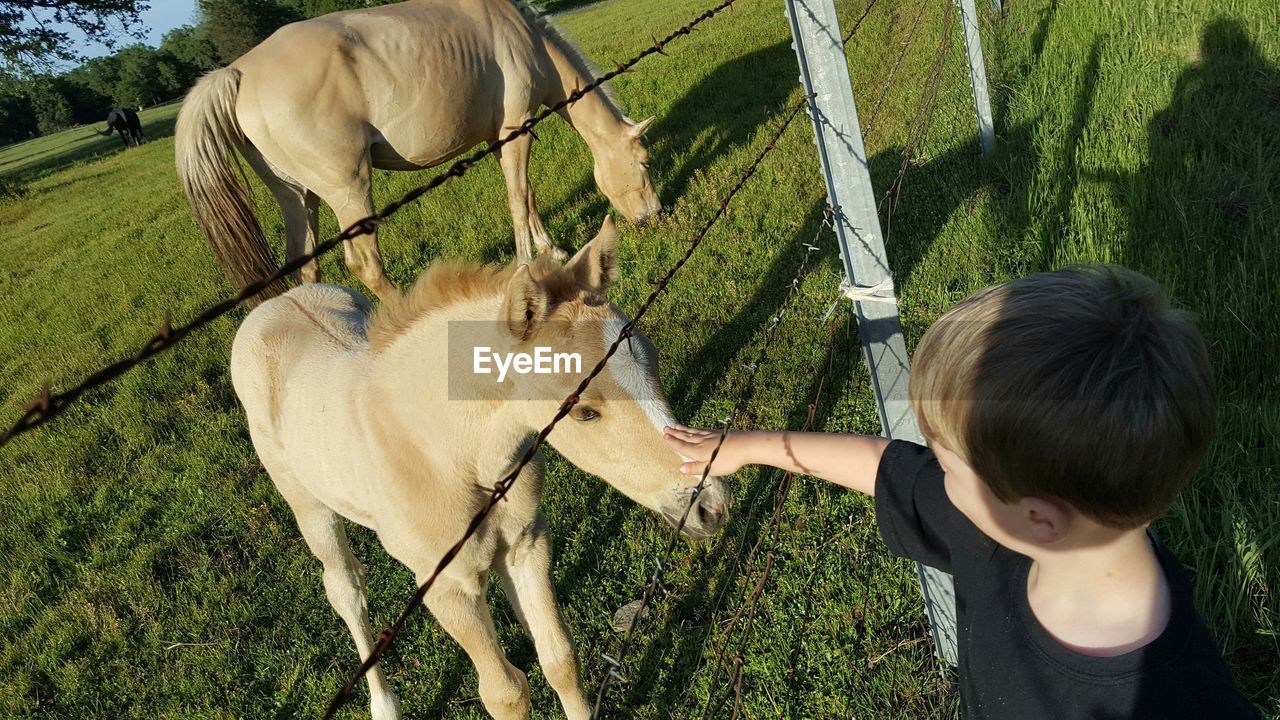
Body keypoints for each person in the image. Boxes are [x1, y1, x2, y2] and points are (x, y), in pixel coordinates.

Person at [662, 265, 1258, 719]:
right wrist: (748, 446)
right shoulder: (1010, 533)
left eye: (947, 465)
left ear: (1038, 518)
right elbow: (882, 466)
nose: (935, 476)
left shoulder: (1183, 701)